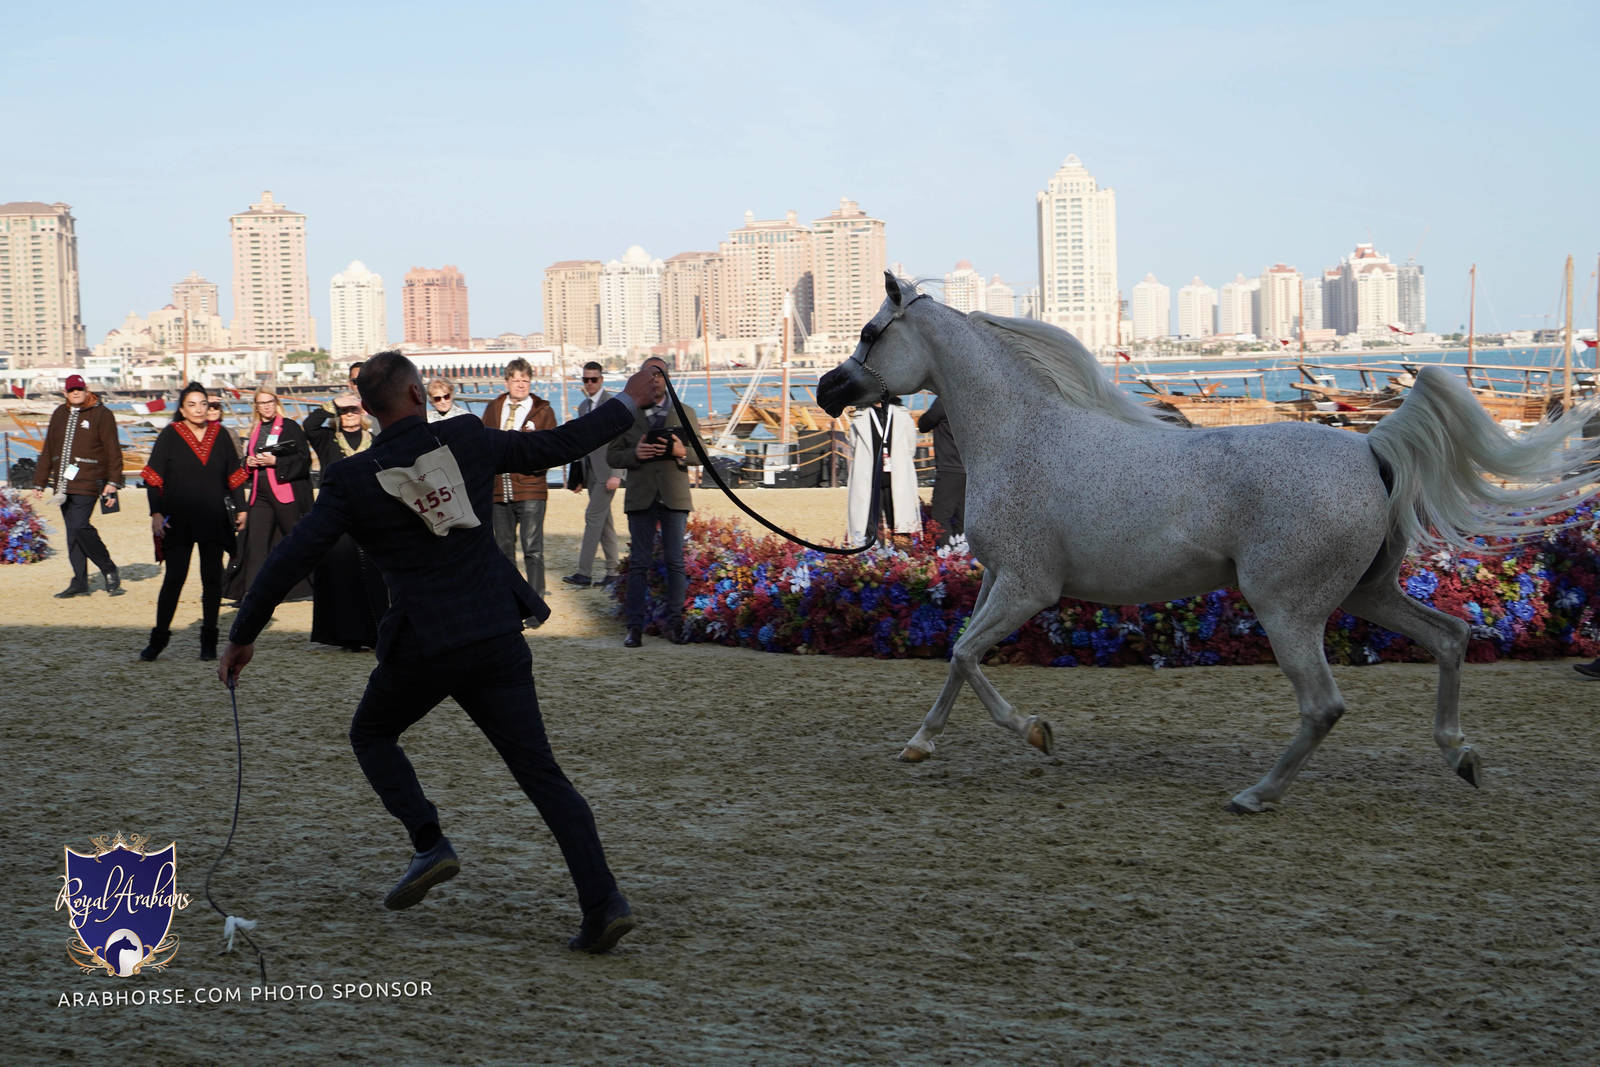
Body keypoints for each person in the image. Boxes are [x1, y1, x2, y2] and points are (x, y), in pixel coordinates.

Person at [218, 350, 657, 954]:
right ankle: (603, 902)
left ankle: (429, 841)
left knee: (371, 736)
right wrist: (630, 397)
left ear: (367, 410)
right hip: (492, 631)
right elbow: (556, 447)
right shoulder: (467, 438)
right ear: (420, 395)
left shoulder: (352, 478)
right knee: (543, 777)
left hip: (421, 644)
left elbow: (291, 559)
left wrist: (243, 635)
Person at [139, 383, 249, 661]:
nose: (199, 409)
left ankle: (209, 641)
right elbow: (153, 478)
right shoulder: (170, 435)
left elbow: (234, 475)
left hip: (213, 518)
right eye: (192, 404)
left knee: (212, 580)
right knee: (174, 579)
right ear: (182, 408)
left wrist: (242, 508)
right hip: (178, 519)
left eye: (203, 404)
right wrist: (156, 513)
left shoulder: (221, 434)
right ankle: (158, 639)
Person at [606, 357, 700, 647]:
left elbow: (700, 455)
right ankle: (634, 628)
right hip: (640, 496)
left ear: (668, 379)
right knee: (639, 564)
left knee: (675, 563)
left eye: (660, 374)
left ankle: (676, 624)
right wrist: (636, 453)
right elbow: (612, 455)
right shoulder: (627, 414)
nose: (655, 379)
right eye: (649, 374)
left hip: (674, 496)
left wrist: (680, 450)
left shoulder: (685, 412)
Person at [302, 395, 387, 650]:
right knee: (343, 576)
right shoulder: (327, 439)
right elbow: (309, 425)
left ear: (363, 413)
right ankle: (348, 636)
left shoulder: (374, 441)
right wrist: (334, 403)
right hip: (336, 517)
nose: (349, 414)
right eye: (345, 411)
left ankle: (377, 633)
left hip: (369, 517)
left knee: (374, 577)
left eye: (353, 410)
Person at [32, 374, 125, 598]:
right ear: (65, 392)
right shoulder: (59, 414)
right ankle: (80, 581)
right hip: (63, 485)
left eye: (79, 389)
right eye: (71, 390)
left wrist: (113, 482)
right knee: (72, 533)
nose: (76, 393)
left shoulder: (102, 414)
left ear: (86, 390)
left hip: (90, 480)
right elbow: (48, 450)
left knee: (80, 525)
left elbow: (113, 449)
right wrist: (39, 482)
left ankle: (108, 568)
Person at [222, 389, 314, 603]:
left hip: (283, 490)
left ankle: (315, 585)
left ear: (276, 403)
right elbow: (245, 460)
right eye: (261, 403)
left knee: (296, 540)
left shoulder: (289, 426)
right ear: (256, 406)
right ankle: (252, 592)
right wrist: (248, 463)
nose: (266, 406)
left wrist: (276, 462)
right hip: (259, 493)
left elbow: (303, 459)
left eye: (270, 402)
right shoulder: (254, 429)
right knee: (256, 542)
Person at [482, 359, 557, 600]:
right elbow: (481, 446)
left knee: (533, 550)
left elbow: (553, 450)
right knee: (503, 551)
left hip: (531, 490)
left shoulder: (543, 411)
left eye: (525, 380)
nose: (521, 385)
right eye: (516, 380)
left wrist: (531, 452)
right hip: (497, 491)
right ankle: (510, 601)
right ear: (507, 382)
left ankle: (536, 601)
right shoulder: (493, 408)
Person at [561, 362, 622, 588]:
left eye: (593, 379)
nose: (589, 384)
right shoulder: (583, 407)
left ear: (601, 380)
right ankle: (613, 572)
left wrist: (617, 474)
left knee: (592, 518)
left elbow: (620, 438)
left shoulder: (612, 405)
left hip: (608, 473)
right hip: (592, 474)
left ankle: (584, 573)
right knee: (605, 523)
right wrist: (578, 477)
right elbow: (582, 444)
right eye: (586, 380)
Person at [846, 396, 918, 545]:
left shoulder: (902, 416)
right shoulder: (861, 417)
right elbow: (854, 447)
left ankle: (901, 559)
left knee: (899, 524)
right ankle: (874, 557)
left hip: (897, 478)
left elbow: (911, 447)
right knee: (871, 524)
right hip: (870, 479)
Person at [916, 396, 965, 545]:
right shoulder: (970, 401)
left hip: (949, 468)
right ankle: (963, 557)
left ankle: (947, 556)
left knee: (939, 518)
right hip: (967, 469)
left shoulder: (945, 400)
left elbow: (924, 424)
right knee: (962, 517)